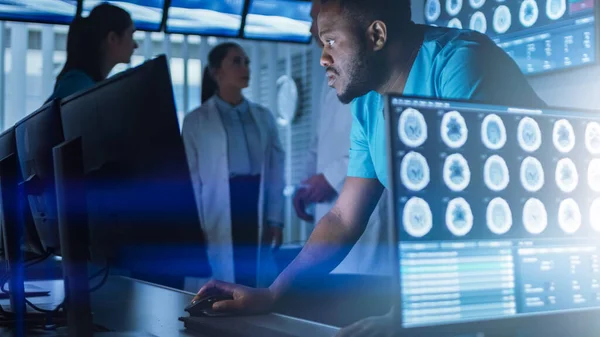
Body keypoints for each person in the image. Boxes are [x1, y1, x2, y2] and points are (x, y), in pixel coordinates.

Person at [192, 0, 545, 332]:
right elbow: (343, 218)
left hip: (533, 280)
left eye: (330, 40)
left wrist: (406, 316)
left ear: (376, 35)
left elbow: (479, 215)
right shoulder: (369, 103)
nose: (323, 58)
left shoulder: (459, 65)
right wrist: (272, 293)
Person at [293, 0, 390, 276]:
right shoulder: (336, 76)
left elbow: (378, 143)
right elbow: (318, 143)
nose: (313, 25)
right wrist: (306, 184)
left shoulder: (368, 78)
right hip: (331, 209)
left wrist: (328, 177)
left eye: (331, 38)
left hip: (363, 210)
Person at [182, 42, 285, 289]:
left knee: (252, 278)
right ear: (217, 72)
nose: (245, 67)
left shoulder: (263, 117)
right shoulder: (196, 120)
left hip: (254, 204)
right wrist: (193, 229)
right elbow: (190, 178)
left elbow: (275, 172)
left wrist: (275, 220)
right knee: (219, 282)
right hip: (216, 208)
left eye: (247, 62)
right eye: (236, 62)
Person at [47, 3, 138, 101]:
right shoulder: (79, 87)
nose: (135, 45)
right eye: (131, 34)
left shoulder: (82, 84)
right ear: (112, 38)